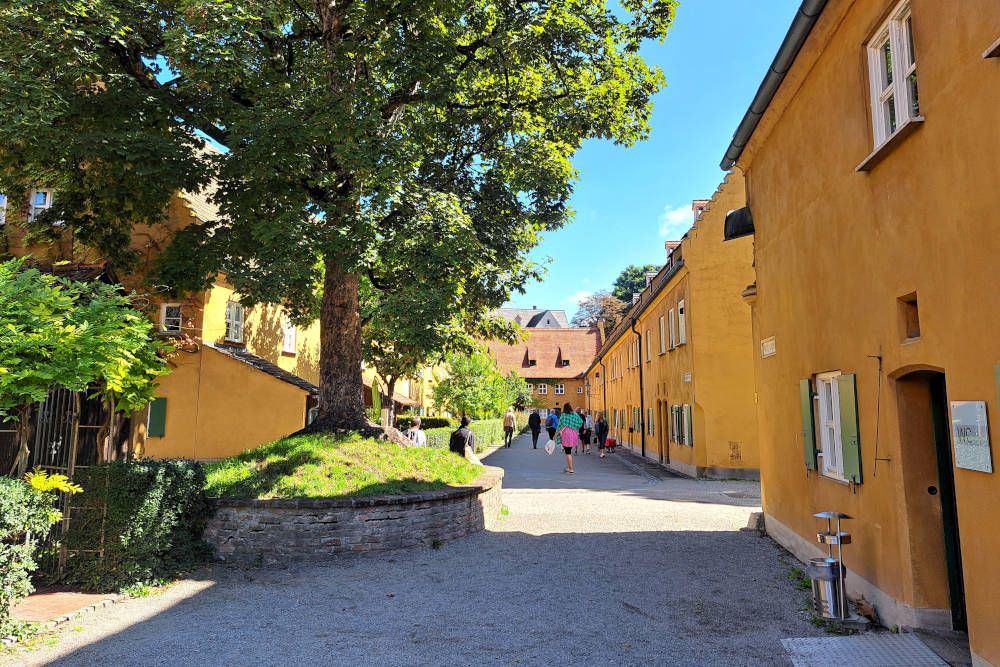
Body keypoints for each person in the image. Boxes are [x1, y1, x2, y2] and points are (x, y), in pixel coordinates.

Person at [556, 403, 583, 474]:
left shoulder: (563, 415)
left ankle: (571, 469)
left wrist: (555, 435)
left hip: (566, 434)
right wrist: (574, 426)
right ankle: (568, 467)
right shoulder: (575, 414)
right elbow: (581, 422)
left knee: (568, 452)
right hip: (573, 434)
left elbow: (560, 426)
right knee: (568, 451)